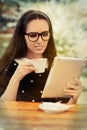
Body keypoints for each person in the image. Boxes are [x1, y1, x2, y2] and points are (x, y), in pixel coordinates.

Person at [0, 10, 82, 104]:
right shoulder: (6, 66)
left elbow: (63, 108)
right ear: (22, 36)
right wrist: (16, 78)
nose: (40, 41)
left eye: (44, 34)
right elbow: (3, 109)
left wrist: (73, 99)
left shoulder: (57, 67)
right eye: (33, 35)